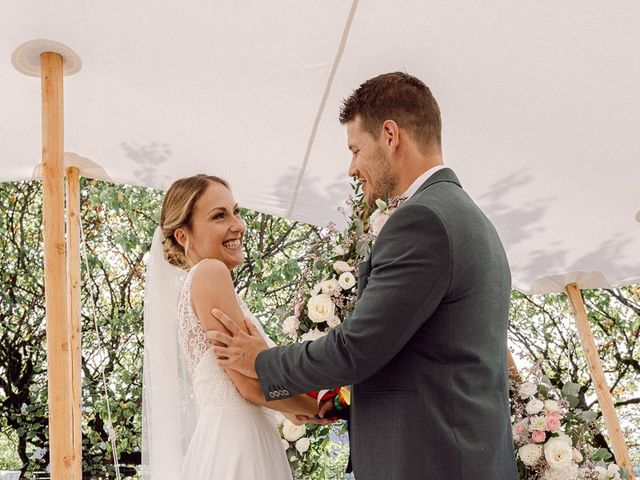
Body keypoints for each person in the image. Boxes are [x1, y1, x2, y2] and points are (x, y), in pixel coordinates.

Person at [208, 72, 518, 479]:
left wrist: (261, 361)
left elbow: (357, 349)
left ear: (390, 134)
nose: (352, 168)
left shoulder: (422, 220)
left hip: (429, 463)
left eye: (355, 149)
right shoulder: (473, 220)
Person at [141, 174, 318, 479]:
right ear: (184, 236)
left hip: (231, 437)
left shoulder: (198, 284)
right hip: (240, 445)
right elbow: (247, 386)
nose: (238, 225)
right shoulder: (210, 273)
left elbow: (251, 382)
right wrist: (318, 407)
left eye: (236, 212)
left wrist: (293, 407)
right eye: (219, 216)